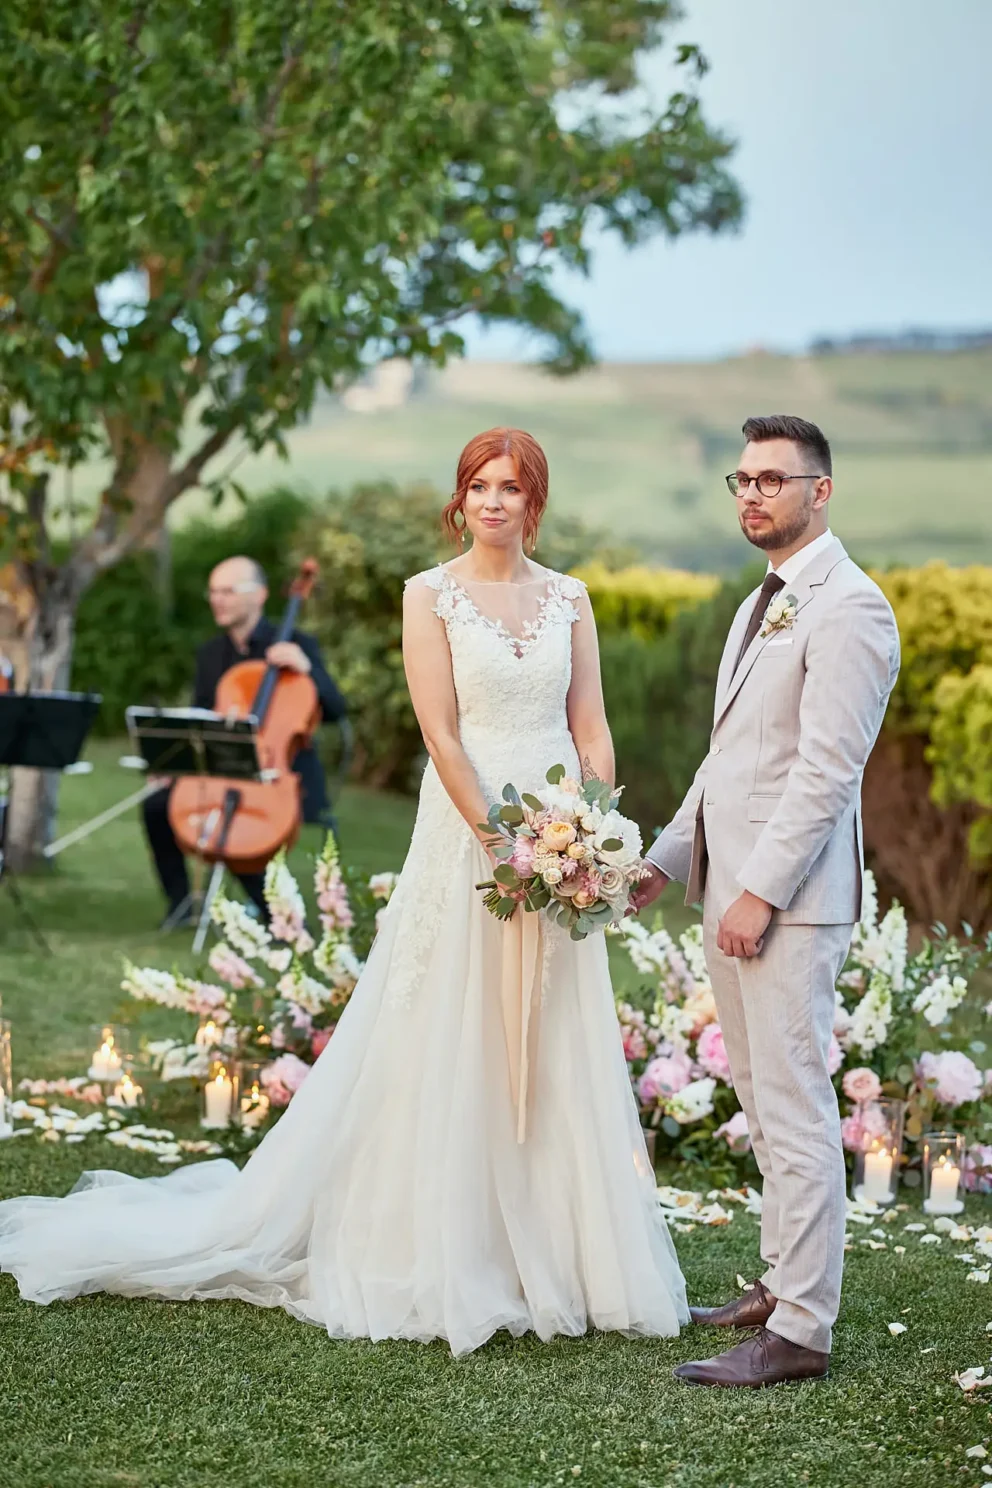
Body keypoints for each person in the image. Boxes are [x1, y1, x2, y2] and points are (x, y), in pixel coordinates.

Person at [0, 429, 688, 1356]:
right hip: (471, 830)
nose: (494, 501)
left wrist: (593, 829)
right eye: (479, 486)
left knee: (555, 1015)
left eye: (512, 487)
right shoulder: (428, 594)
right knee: (452, 1015)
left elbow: (591, 724)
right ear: (460, 500)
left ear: (536, 501)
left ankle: (570, 1252)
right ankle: (446, 1240)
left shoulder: (571, 597)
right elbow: (441, 734)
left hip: (566, 838)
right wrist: (503, 843)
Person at [632, 414, 900, 1388]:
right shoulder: (766, 600)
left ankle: (801, 1332)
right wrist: (666, 859)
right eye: (742, 480)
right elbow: (730, 758)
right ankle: (779, 1288)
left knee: (792, 1110)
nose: (752, 495)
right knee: (760, 1101)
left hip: (786, 904)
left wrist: (758, 894)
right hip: (729, 893)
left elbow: (826, 772)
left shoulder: (849, 607)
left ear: (819, 491)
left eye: (772, 480)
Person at [141, 555, 347, 925]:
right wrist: (175, 765)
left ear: (259, 595)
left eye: (228, 591)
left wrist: (307, 669)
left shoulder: (297, 644)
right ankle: (181, 905)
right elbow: (201, 719)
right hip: (223, 768)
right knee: (157, 805)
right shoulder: (211, 654)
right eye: (213, 592)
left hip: (280, 774)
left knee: (234, 817)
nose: (217, 600)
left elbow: (336, 709)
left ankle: (275, 915)